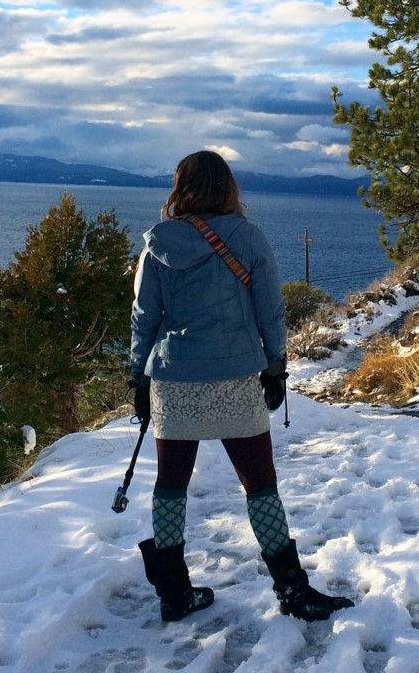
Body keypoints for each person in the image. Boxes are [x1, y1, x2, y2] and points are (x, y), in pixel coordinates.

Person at [129, 150, 354, 623]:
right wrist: (275, 367)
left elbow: (144, 318)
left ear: (180, 187)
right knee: (260, 485)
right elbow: (271, 310)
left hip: (174, 380)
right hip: (236, 375)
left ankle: (173, 593)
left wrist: (138, 376)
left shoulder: (156, 246)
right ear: (229, 187)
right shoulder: (249, 239)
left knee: (170, 487)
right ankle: (293, 592)